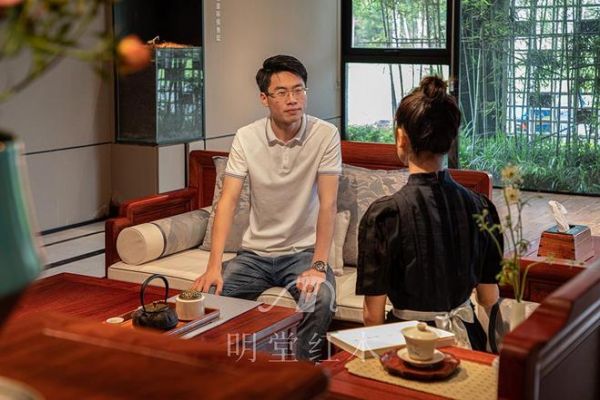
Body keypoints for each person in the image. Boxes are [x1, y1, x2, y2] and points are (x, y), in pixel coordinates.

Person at [192, 55, 341, 361]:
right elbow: (227, 201)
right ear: (264, 98)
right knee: (208, 297)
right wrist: (213, 265)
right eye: (282, 92)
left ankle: (299, 374)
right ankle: (230, 370)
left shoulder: (325, 134)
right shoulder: (247, 137)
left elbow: (328, 204)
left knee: (321, 298)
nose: (293, 99)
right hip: (254, 256)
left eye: (299, 90)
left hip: (302, 254)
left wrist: (318, 266)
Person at [356, 76, 503, 351]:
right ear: (450, 140)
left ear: (401, 138)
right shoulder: (481, 208)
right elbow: (488, 297)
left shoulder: (385, 216)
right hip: (468, 342)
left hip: (407, 344)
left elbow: (372, 316)